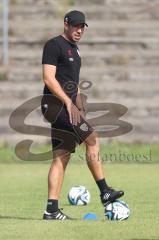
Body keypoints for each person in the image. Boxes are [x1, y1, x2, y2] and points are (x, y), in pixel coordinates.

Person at [41, 10, 124, 220]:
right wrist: (69, 103)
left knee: (61, 157)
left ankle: (51, 210)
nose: (79, 30)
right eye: (76, 26)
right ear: (66, 24)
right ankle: (105, 191)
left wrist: (79, 108)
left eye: (82, 27)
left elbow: (74, 86)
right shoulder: (53, 45)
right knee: (93, 139)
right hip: (56, 106)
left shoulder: (75, 51)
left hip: (68, 107)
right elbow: (49, 79)